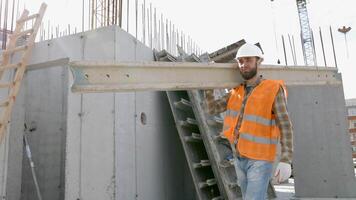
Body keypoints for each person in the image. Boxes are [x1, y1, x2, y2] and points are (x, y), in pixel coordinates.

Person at [204, 43, 294, 200]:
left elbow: (285, 125)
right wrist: (209, 86)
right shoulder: (236, 92)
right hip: (239, 157)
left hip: (260, 160)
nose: (243, 65)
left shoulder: (272, 88)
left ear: (258, 62)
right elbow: (211, 109)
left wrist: (286, 159)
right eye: (240, 61)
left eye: (248, 60)